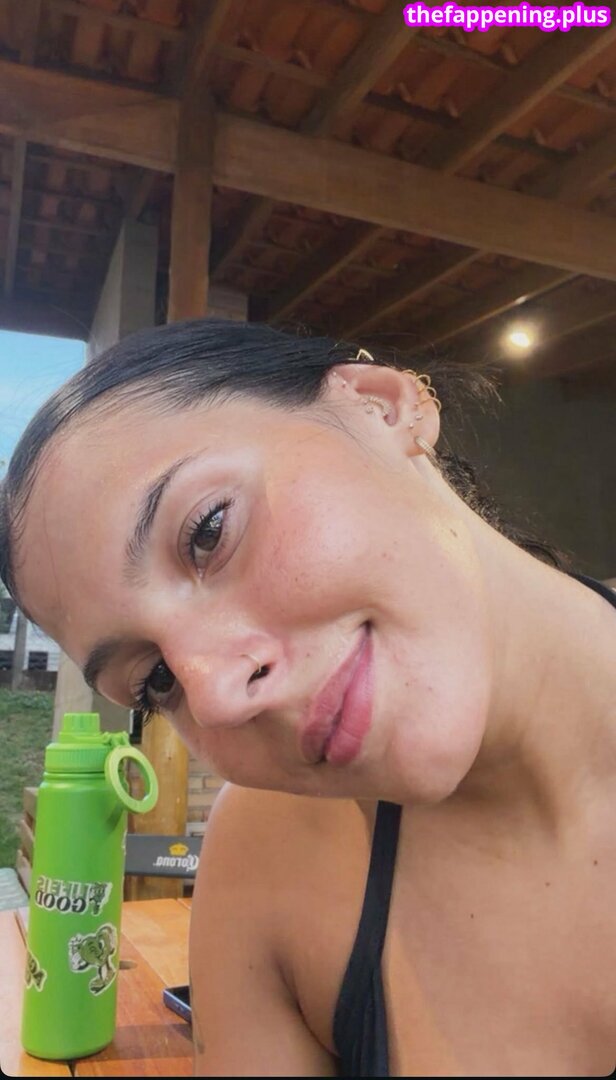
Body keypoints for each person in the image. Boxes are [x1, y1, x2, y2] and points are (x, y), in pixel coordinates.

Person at [1, 319, 615, 1077]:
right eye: (157, 680)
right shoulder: (270, 857)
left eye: (208, 532)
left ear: (381, 405)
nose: (216, 695)